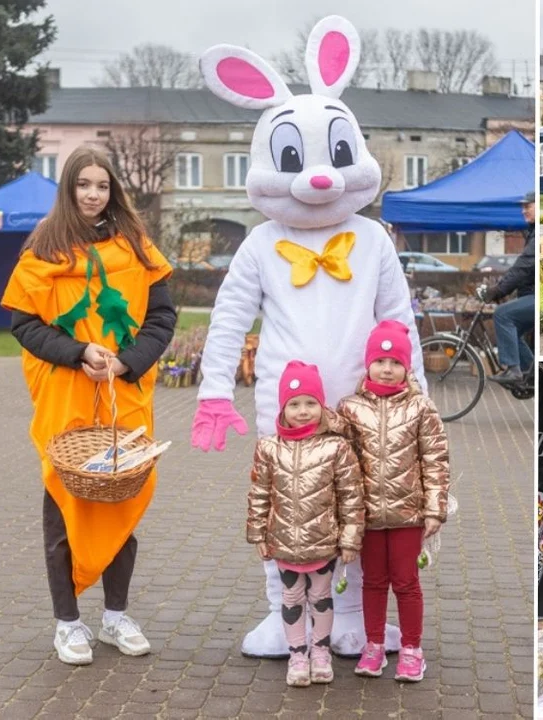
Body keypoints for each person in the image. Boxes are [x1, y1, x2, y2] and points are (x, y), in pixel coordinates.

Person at [192, 16, 417, 658]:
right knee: (286, 509)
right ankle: (283, 613)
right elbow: (229, 316)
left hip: (367, 407)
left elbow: (399, 321)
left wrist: (416, 397)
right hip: (284, 407)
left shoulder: (373, 241)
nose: (319, 177)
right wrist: (213, 393)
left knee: (360, 507)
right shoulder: (261, 244)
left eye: (335, 156)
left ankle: (347, 613)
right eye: (295, 158)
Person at [0, 146, 176, 665]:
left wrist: (125, 362)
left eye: (101, 185)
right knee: (65, 505)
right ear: (69, 190)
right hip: (66, 398)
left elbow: (161, 319)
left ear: (112, 190)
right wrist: (78, 354)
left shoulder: (140, 249)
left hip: (124, 396)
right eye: (83, 185)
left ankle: (116, 616)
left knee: (121, 503)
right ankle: (68, 623)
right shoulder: (42, 250)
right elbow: (24, 325)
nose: (93, 194)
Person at [337, 320, 450, 682]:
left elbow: (435, 459)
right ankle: (373, 646)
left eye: (395, 362)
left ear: (407, 367)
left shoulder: (420, 408)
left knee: (405, 581)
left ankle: (412, 648)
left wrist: (435, 508)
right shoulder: (350, 408)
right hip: (366, 515)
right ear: (368, 364)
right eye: (380, 360)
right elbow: (340, 460)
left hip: (408, 514)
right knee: (372, 581)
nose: (387, 368)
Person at [248, 361, 364, 686]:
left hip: (324, 541)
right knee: (291, 597)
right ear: (283, 408)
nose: (303, 411)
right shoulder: (269, 448)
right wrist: (257, 532)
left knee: (322, 597)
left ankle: (321, 652)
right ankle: (298, 655)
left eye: (310, 403)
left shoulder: (336, 447)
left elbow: (351, 496)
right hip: (283, 541)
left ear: (321, 405)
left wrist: (351, 538)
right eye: (294, 404)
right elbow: (259, 493)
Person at [482, 191, 536, 385]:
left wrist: (499, 290)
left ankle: (513, 370)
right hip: (536, 294)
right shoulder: (533, 232)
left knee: (503, 315)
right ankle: (532, 373)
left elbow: (524, 266)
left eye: (527, 206)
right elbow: (524, 270)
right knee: (513, 331)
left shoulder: (539, 234)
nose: (523, 211)